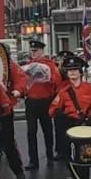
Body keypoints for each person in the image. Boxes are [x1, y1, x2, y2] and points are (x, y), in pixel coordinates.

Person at [23, 39, 59, 170]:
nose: (33, 53)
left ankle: (50, 156)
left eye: (36, 51)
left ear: (42, 51)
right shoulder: (28, 66)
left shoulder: (50, 65)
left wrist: (46, 76)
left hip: (45, 101)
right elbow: (23, 83)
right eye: (32, 51)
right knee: (31, 131)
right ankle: (33, 160)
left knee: (47, 130)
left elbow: (57, 81)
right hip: (31, 101)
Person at [0, 55, 28, 179]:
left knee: (8, 142)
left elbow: (20, 78)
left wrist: (18, 90)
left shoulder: (9, 64)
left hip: (4, 108)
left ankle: (18, 170)